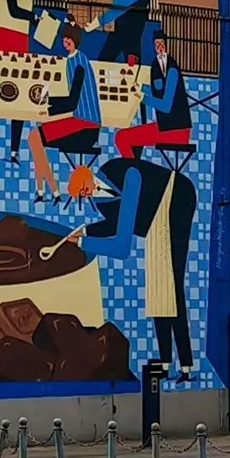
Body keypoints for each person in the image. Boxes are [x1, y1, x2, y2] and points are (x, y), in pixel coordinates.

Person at [95, 154, 196, 380]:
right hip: (154, 221)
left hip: (174, 198)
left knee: (173, 288)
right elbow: (116, 224)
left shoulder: (123, 174)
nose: (90, 195)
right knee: (159, 293)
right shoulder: (104, 198)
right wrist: (82, 231)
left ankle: (186, 365)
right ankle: (166, 362)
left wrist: (84, 240)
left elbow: (122, 242)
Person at [115, 27, 190, 159]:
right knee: (125, 137)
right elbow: (158, 90)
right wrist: (141, 87)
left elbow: (166, 106)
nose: (159, 47)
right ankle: (134, 168)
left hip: (176, 130)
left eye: (161, 44)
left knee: (122, 137)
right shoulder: (155, 65)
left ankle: (133, 172)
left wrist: (143, 98)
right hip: (165, 126)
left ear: (165, 45)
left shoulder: (172, 69)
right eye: (156, 44)